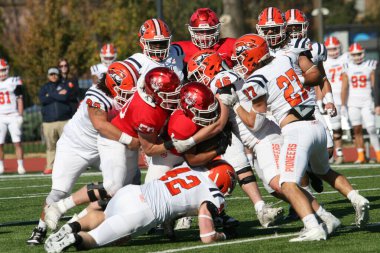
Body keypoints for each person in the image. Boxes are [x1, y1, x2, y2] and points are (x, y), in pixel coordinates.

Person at [219, 33, 370, 241]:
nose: (239, 62)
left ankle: (313, 228)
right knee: (324, 171)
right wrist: (299, 79)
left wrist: (235, 103)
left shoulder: (257, 79)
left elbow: (255, 123)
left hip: (296, 130)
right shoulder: (285, 58)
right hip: (316, 124)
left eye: (241, 56)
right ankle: (356, 197)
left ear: (251, 56)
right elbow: (316, 74)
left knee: (288, 184)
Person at [43, 67, 182, 230]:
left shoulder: (147, 90)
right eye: (169, 94)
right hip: (113, 142)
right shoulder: (146, 111)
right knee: (112, 186)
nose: (174, 97)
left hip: (129, 143)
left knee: (122, 192)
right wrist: (175, 143)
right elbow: (149, 149)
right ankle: (60, 207)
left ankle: (74, 223)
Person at [27, 61, 139, 245]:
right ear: (112, 85)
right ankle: (40, 228)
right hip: (74, 147)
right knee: (58, 192)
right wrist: (130, 141)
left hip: (103, 146)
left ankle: (75, 223)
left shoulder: (125, 92)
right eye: (126, 88)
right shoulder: (97, 95)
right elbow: (100, 125)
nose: (128, 94)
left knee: (125, 182)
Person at [44, 160, 236, 252]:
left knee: (103, 215)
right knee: (96, 240)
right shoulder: (214, 194)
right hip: (143, 211)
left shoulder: (187, 169)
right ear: (223, 179)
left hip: (132, 192)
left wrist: (169, 230)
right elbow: (207, 237)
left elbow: (176, 199)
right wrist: (223, 235)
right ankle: (72, 239)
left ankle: (70, 227)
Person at [186, 50, 284, 228]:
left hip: (254, 131)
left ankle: (308, 206)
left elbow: (220, 120)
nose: (198, 78)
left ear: (211, 67)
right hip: (241, 130)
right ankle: (260, 208)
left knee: (274, 182)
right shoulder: (225, 76)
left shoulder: (221, 80)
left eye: (199, 73)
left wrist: (195, 139)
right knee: (241, 166)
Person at [341, 43, 379, 163]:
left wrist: (376, 102)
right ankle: (361, 155)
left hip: (367, 101)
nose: (357, 57)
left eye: (359, 54)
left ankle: (378, 153)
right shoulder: (347, 67)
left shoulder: (370, 65)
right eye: (354, 54)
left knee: (371, 128)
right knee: (356, 129)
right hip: (353, 102)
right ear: (350, 55)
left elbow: (375, 85)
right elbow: (344, 87)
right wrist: (343, 105)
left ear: (363, 53)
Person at [39, 67, 75, 175]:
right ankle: (50, 166)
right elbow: (42, 99)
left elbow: (65, 98)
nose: (53, 76)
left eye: (55, 74)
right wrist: (58, 94)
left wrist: (50, 95)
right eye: (51, 74)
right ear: (48, 76)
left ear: (58, 75)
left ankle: (70, 166)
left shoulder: (65, 85)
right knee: (51, 146)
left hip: (64, 120)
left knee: (67, 145)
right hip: (48, 122)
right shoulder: (44, 87)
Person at [323, 36, 349, 164]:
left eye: (335, 49)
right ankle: (334, 153)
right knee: (330, 127)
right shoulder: (324, 61)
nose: (333, 52)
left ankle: (339, 153)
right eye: (330, 49)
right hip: (329, 97)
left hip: (344, 96)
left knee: (339, 126)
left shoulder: (345, 58)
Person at [0, 58, 25, 174]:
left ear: (8, 69)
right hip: (0, 116)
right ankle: (1, 166)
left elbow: (20, 98)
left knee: (17, 142)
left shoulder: (13, 81)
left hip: (13, 115)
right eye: (0, 70)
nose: (2, 73)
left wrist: (20, 115)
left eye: (4, 70)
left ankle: (20, 165)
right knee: (0, 143)